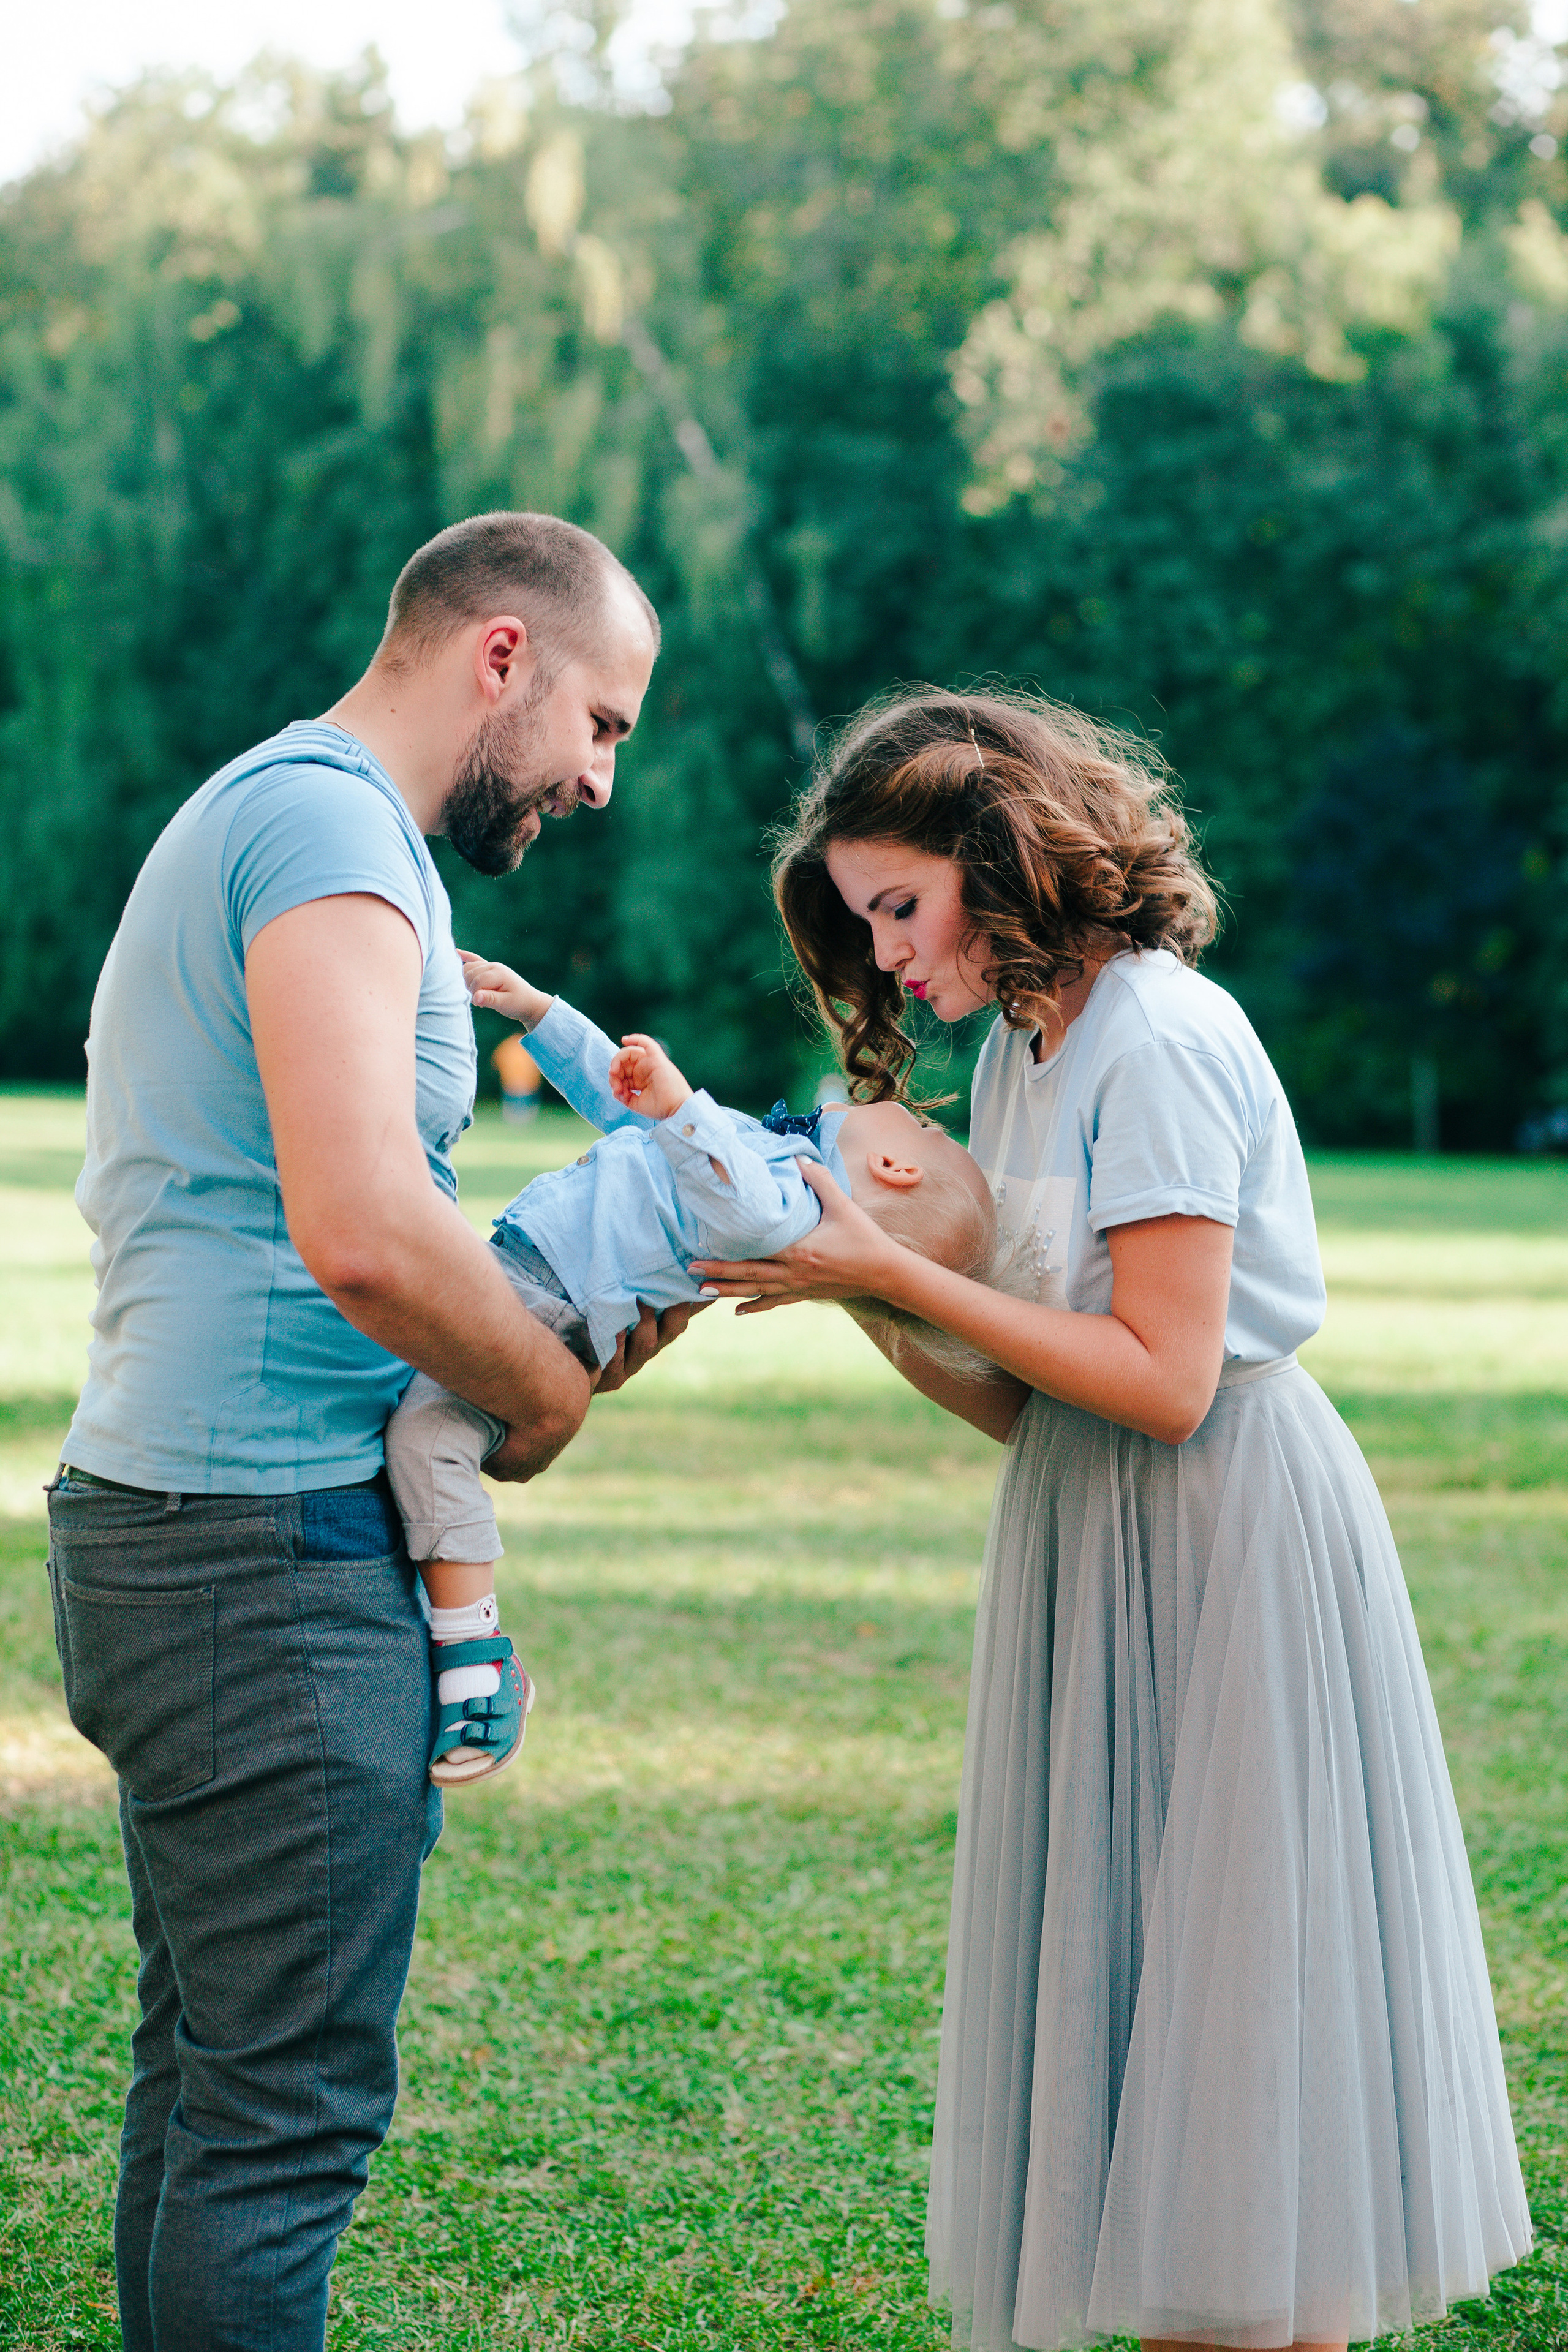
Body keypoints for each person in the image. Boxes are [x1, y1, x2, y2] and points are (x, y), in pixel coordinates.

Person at [692, 688, 1532, 2352]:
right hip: (1091, 1531)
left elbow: (1160, 1377)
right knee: (1147, 2010)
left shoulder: (1152, 1035)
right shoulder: (1028, 1044)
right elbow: (1027, 1398)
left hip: (1226, 1527)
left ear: (997, 858)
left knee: (1235, 2046)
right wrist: (868, 1294)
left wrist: (892, 1267)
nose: (889, 958)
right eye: (867, 924)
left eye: (900, 908)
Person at [45, 511, 690, 2352]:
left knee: (218, 2084)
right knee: (278, 2120)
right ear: (503, 655)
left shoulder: (309, 824)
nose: (597, 776)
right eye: (604, 723)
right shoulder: (327, 827)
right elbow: (364, 1223)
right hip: (258, 1554)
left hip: (196, 1529)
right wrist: (546, 1390)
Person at [386, 954, 1001, 1782]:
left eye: (928, 1131)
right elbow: (624, 1101)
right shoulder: (752, 1151)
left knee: (428, 1437)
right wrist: (540, 1013)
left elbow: (733, 1197)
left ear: (899, 1169)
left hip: (544, 1308)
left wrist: (679, 1107)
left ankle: (473, 1648)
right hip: (517, 1274)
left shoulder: (783, 1202)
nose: (918, 1118)